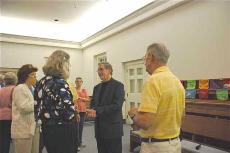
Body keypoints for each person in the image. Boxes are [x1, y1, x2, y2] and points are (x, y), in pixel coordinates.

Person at [128, 43, 185, 153]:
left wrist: (134, 114)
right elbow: (182, 116)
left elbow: (145, 122)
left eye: (145, 57)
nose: (145, 62)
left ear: (150, 57)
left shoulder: (153, 81)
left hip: (156, 147)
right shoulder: (177, 81)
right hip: (175, 144)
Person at [34, 50, 77, 153]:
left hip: (46, 129)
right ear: (62, 64)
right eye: (68, 64)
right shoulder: (60, 82)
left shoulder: (41, 82)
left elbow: (36, 106)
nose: (69, 67)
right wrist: (73, 112)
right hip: (62, 129)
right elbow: (68, 112)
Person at [87, 62, 125, 153]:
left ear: (109, 70)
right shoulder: (97, 87)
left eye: (101, 69)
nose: (99, 72)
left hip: (112, 130)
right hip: (99, 129)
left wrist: (96, 110)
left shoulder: (118, 86)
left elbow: (117, 106)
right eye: (98, 70)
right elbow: (93, 103)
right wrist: (92, 110)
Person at [11, 64, 38, 153]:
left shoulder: (31, 88)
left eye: (35, 74)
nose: (35, 77)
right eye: (33, 75)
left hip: (30, 129)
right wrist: (37, 103)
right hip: (22, 131)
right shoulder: (20, 88)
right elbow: (23, 107)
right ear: (25, 76)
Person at [0, 72, 17, 153]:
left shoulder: (1, 90)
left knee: (3, 139)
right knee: (14, 140)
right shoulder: (15, 89)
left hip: (1, 117)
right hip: (11, 116)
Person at [75, 77, 90, 148]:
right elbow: (73, 100)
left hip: (83, 111)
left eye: (80, 81)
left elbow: (87, 99)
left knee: (81, 128)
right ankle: (76, 144)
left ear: (82, 82)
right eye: (77, 81)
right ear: (75, 82)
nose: (78, 83)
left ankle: (80, 143)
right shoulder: (73, 90)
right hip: (76, 111)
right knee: (76, 128)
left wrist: (80, 98)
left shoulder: (84, 90)